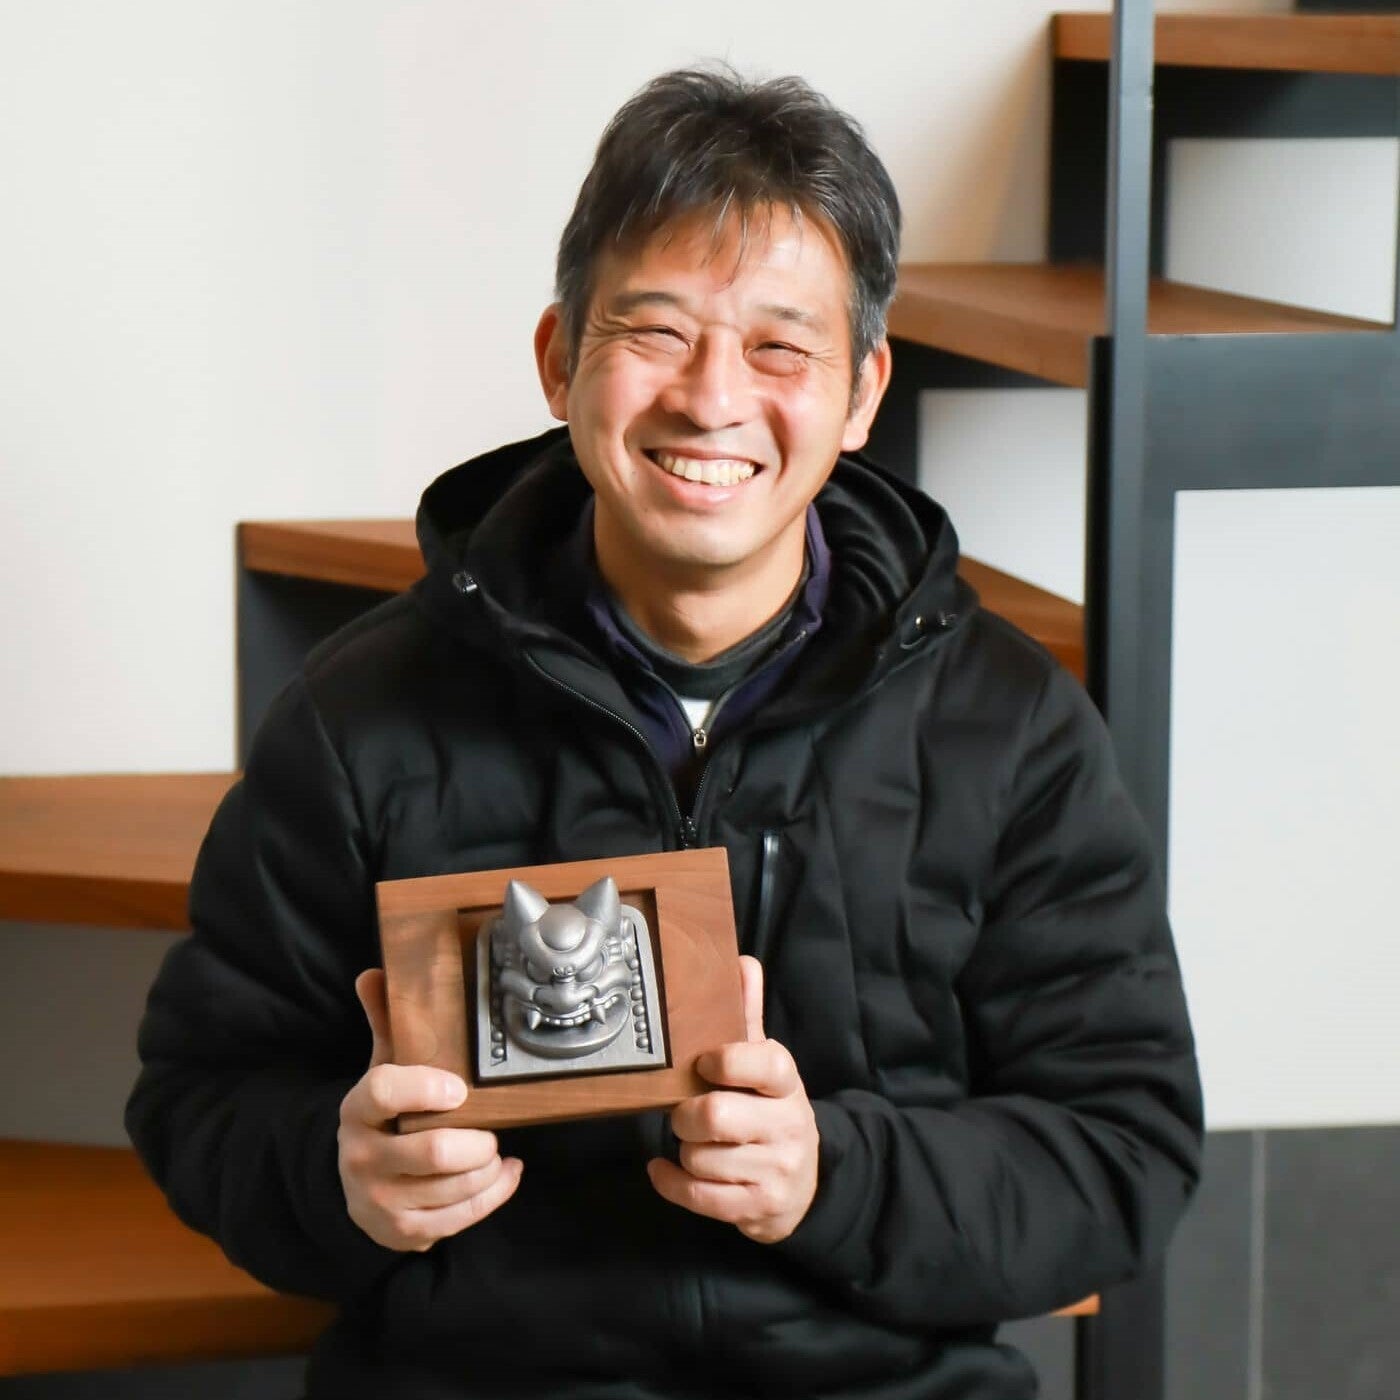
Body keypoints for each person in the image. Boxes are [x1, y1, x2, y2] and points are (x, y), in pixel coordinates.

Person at [127, 67, 1202, 1400]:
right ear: (558, 359)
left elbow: (1123, 1149)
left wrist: (836, 1175)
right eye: (656, 330)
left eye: (779, 347)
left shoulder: (1009, 729)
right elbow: (203, 1092)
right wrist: (339, 1176)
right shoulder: (364, 715)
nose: (710, 398)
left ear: (863, 393)